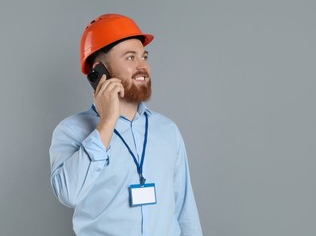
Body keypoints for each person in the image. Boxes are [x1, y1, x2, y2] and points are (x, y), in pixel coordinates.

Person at [49, 13, 203, 236]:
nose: (143, 66)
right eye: (130, 58)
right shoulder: (71, 131)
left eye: (144, 56)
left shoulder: (167, 130)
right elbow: (68, 193)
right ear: (100, 71)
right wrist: (107, 122)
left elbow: (185, 211)